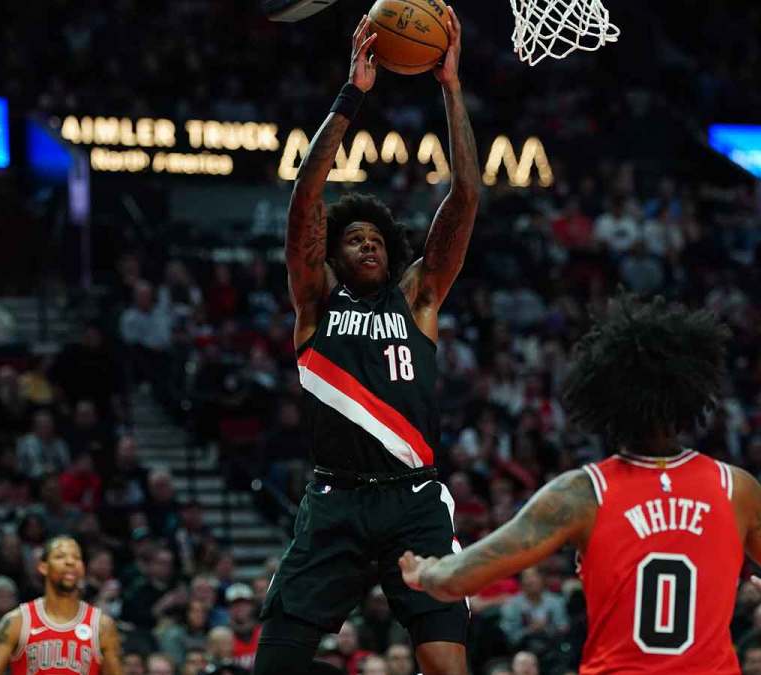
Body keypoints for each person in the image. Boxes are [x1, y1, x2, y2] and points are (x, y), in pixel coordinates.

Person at [399, 296, 761, 674]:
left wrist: (424, 572)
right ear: (692, 396)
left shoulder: (582, 494)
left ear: (603, 399)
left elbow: (456, 580)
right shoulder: (736, 488)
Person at [253, 8, 479, 675]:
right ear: (335, 252)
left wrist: (451, 87)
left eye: (377, 239)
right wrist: (353, 95)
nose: (368, 244)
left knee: (444, 662)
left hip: (414, 498)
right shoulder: (316, 302)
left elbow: (466, 193)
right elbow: (305, 195)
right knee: (276, 662)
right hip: (337, 499)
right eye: (355, 238)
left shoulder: (420, 297)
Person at [0, 535, 123, 675]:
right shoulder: (16, 622)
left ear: (83, 568)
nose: (70, 562)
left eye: (76, 558)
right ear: (43, 567)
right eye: (60, 556)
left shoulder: (103, 626)